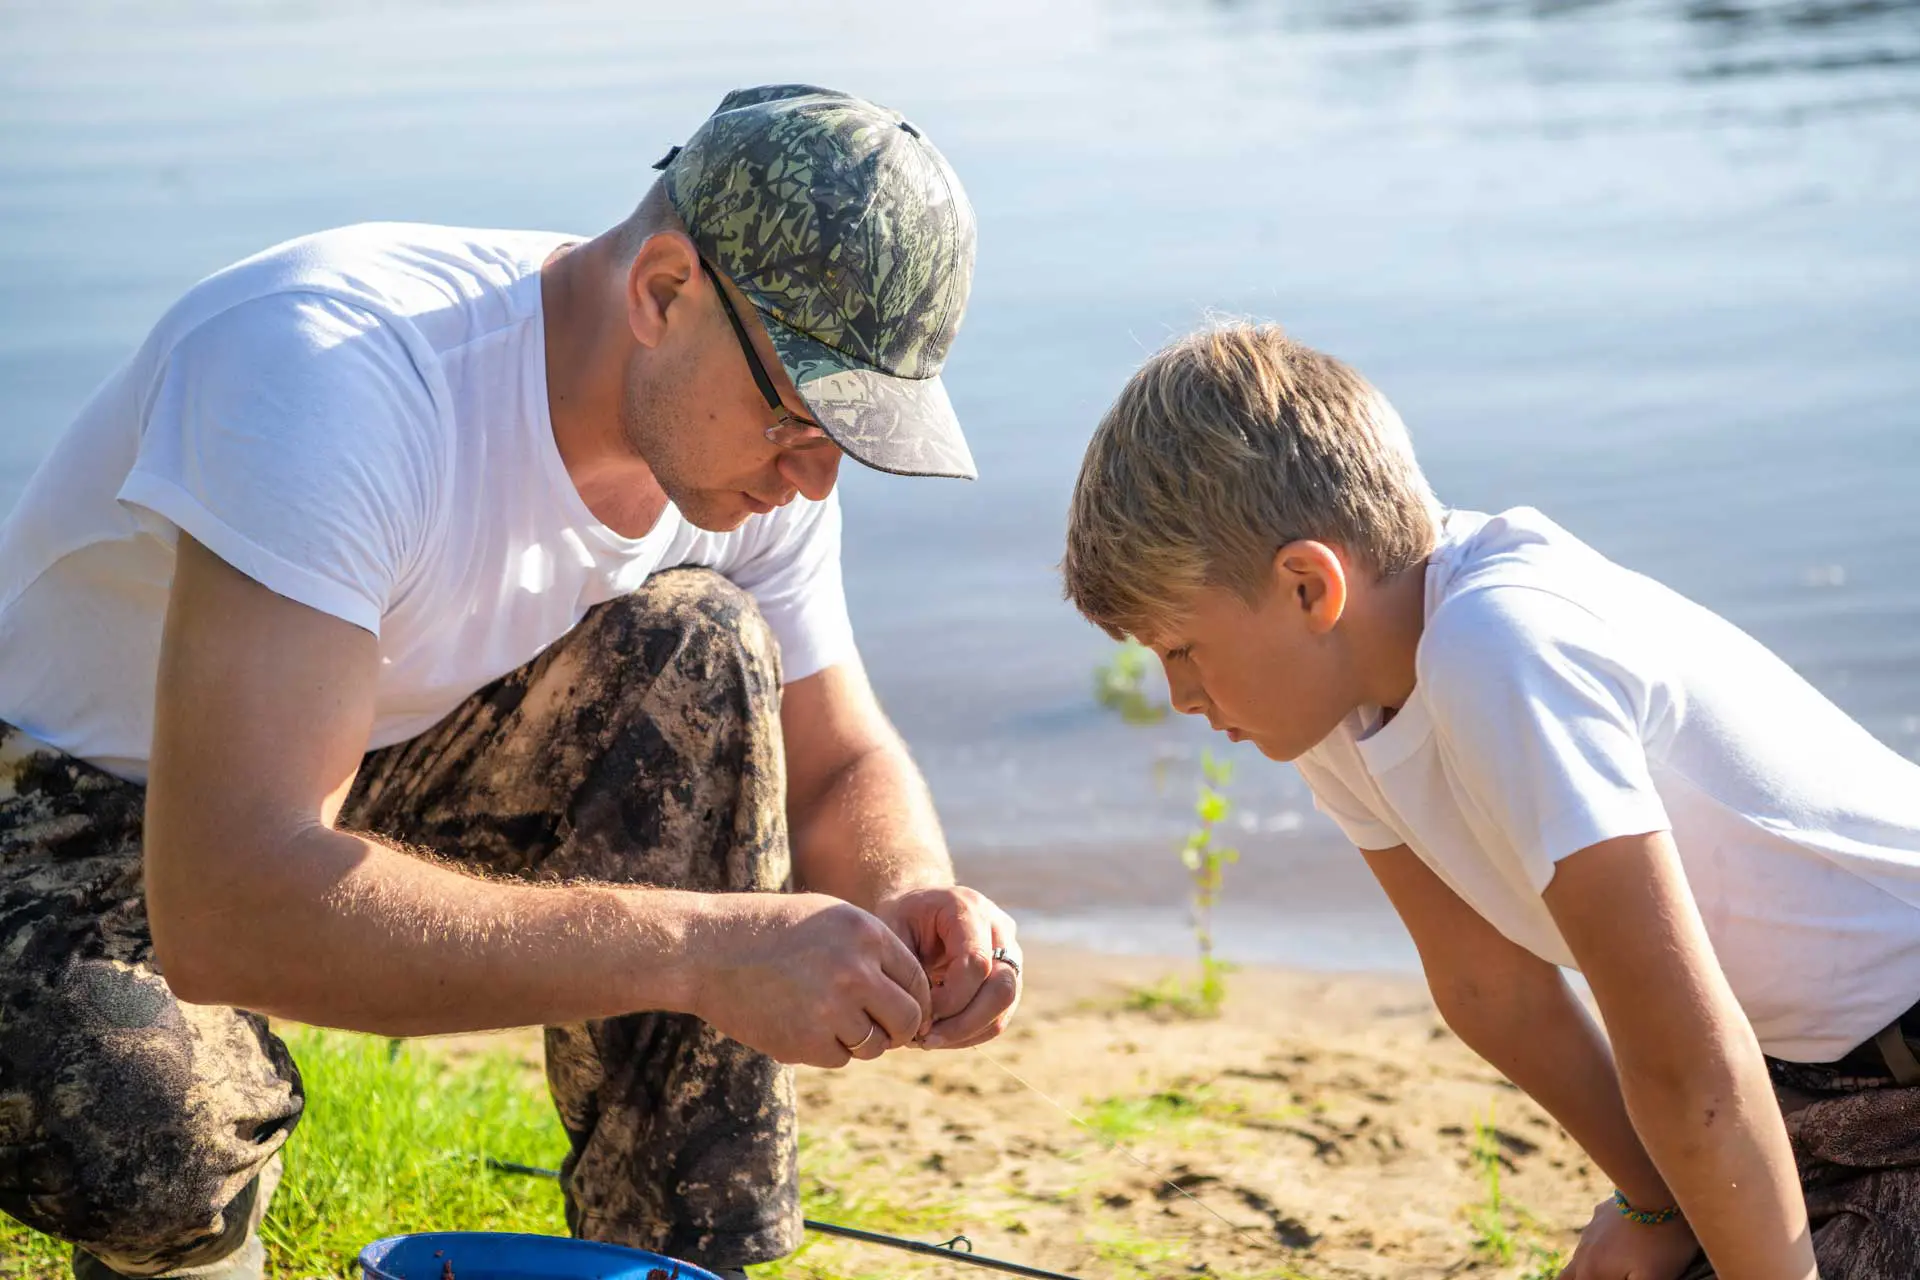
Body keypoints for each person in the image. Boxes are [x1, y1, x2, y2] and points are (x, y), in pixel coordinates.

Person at [0, 84, 1023, 1280]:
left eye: (851, 440)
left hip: (353, 766)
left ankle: (678, 1262)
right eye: (800, 417)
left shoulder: (739, 466)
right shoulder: (331, 374)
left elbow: (841, 756)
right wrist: (705, 952)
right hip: (53, 805)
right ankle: (192, 1248)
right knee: (144, 1122)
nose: (812, 476)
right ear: (662, 290)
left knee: (697, 646)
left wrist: (917, 904)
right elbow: (231, 905)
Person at [1060, 321, 1920, 1280]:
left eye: (1182, 650)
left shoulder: (1500, 646)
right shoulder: (1340, 699)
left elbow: (1687, 1063)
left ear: (1310, 586)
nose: (1180, 696)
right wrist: (1653, 1200)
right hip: (1801, 1076)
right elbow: (1489, 988)